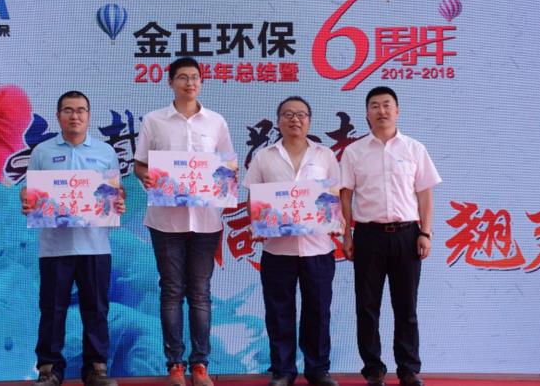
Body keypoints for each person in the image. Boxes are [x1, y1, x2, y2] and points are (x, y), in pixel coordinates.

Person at [133, 57, 235, 386]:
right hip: (165, 221)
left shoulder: (216, 122)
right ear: (171, 82)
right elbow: (140, 165)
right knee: (172, 291)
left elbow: (230, 165)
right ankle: (175, 364)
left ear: (201, 82)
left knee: (201, 293)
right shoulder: (154, 121)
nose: (189, 83)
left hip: (206, 221)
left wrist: (223, 176)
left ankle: (200, 364)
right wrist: (147, 177)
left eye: (194, 77)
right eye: (182, 77)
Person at [20, 91, 126, 386]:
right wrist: (26, 200)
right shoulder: (42, 152)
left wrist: (119, 202)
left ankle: (96, 368)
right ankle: (49, 369)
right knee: (52, 309)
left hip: (95, 245)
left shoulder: (105, 151)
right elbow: (29, 190)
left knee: (97, 309)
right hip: (55, 246)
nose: (74, 116)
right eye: (68, 110)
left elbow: (115, 192)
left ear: (88, 116)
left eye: (80, 110)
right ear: (58, 116)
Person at [340, 87, 441, 386]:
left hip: (407, 235)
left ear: (397, 111)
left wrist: (426, 232)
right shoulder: (354, 152)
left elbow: (425, 195)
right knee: (367, 306)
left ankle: (408, 369)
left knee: (406, 306)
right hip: (368, 235)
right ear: (367, 114)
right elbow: (345, 196)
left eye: (387, 105)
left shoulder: (414, 149)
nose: (381, 111)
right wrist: (347, 235)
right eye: (375, 106)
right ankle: (373, 369)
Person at [242, 97, 340, 386]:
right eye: (288, 114)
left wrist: (337, 221)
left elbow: (335, 195)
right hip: (277, 249)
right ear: (279, 121)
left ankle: (318, 369)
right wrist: (256, 223)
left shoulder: (325, 155)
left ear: (309, 121)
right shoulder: (264, 156)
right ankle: (282, 370)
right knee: (279, 312)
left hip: (318, 248)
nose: (295, 119)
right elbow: (253, 197)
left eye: (301, 114)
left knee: (318, 311)